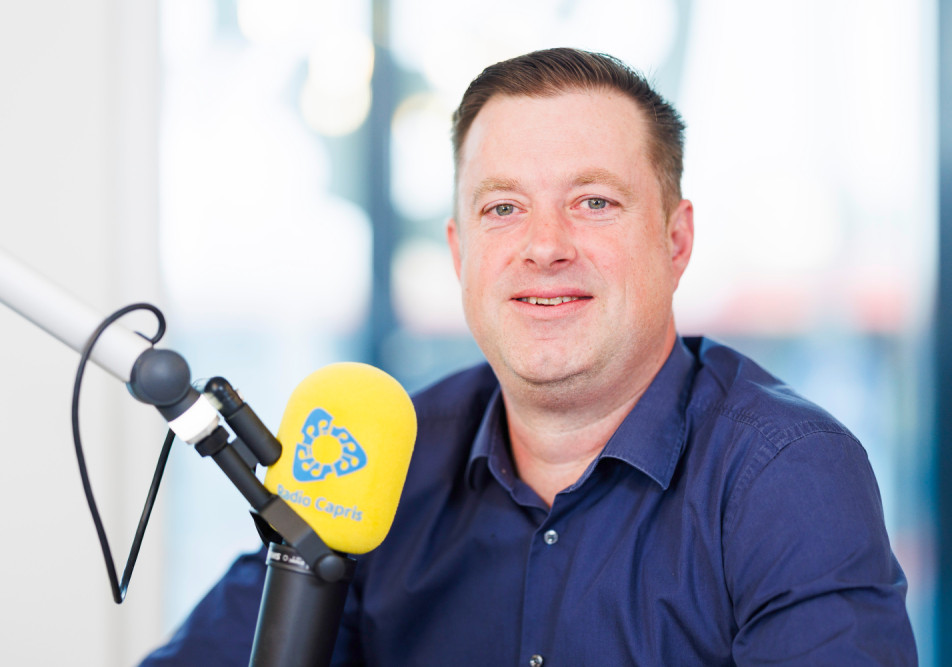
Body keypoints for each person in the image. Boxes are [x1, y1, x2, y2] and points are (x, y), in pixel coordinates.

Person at [141, 47, 917, 665]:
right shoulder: (377, 459)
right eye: (504, 207)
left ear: (675, 241)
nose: (545, 246)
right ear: (460, 253)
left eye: (594, 202)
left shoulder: (786, 476)